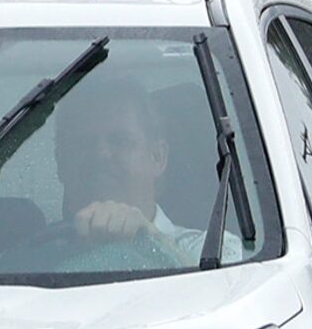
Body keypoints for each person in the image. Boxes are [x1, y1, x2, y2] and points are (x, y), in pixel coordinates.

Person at [50, 75, 203, 265]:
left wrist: (152, 240)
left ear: (158, 157)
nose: (101, 153)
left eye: (120, 141)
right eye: (84, 143)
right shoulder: (28, 258)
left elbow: (219, 293)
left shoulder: (207, 251)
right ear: (61, 162)